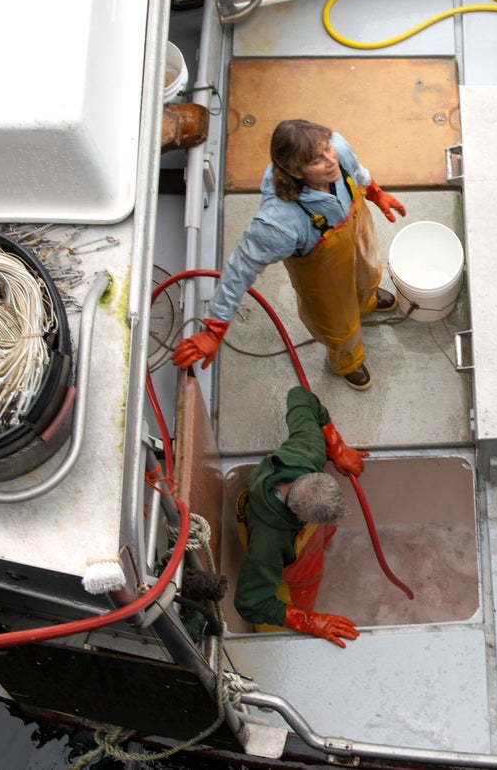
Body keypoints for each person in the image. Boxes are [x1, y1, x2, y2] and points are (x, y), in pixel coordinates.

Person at [172, 119, 407, 391]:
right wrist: (215, 328)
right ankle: (347, 361)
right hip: (323, 277)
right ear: (294, 170)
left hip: (357, 235)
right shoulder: (278, 223)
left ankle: (367, 301)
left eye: (326, 149)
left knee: (367, 271)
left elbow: (357, 171)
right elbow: (240, 269)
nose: (329, 160)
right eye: (315, 160)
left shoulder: (336, 149)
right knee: (340, 326)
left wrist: (376, 195)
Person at [234, 385, 368, 646]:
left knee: (322, 542)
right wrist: (310, 621)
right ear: (299, 518)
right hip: (291, 581)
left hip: (308, 547)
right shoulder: (268, 544)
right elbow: (250, 603)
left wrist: (336, 445)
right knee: (281, 631)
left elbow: (300, 396)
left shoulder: (305, 453)